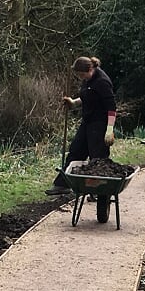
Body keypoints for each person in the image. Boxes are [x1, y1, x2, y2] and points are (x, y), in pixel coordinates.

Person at [44, 56, 117, 196]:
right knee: (76, 150)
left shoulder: (102, 82)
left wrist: (109, 129)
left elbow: (112, 107)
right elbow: (87, 96)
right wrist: (73, 103)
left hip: (100, 123)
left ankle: (98, 191)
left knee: (98, 158)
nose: (81, 78)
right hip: (88, 121)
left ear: (91, 69)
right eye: (78, 75)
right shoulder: (88, 79)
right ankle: (63, 184)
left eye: (82, 74)